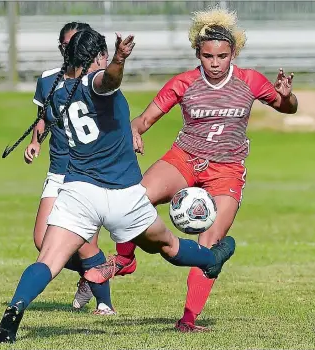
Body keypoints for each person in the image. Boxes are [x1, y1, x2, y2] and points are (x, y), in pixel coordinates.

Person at [0, 27, 235, 344]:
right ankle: (211, 259)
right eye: (106, 55)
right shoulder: (97, 83)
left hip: (78, 191)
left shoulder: (59, 89)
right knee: (166, 246)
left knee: (47, 261)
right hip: (123, 194)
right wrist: (120, 59)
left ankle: (14, 311)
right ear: (99, 57)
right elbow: (107, 81)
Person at [84, 6, 298, 332]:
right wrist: (135, 132)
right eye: (208, 56)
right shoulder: (183, 83)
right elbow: (142, 120)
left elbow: (288, 107)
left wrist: (288, 96)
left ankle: (187, 320)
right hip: (185, 159)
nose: (215, 63)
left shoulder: (250, 80)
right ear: (198, 52)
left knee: (209, 243)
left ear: (233, 53)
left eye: (222, 56)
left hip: (226, 169)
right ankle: (125, 259)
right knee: (135, 198)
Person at [24, 21, 116, 314]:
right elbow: (44, 117)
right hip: (58, 168)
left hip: (89, 172)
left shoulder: (97, 81)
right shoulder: (49, 79)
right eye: (66, 45)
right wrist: (36, 141)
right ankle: (94, 271)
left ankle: (104, 303)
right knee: (42, 241)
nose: (71, 49)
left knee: (86, 240)